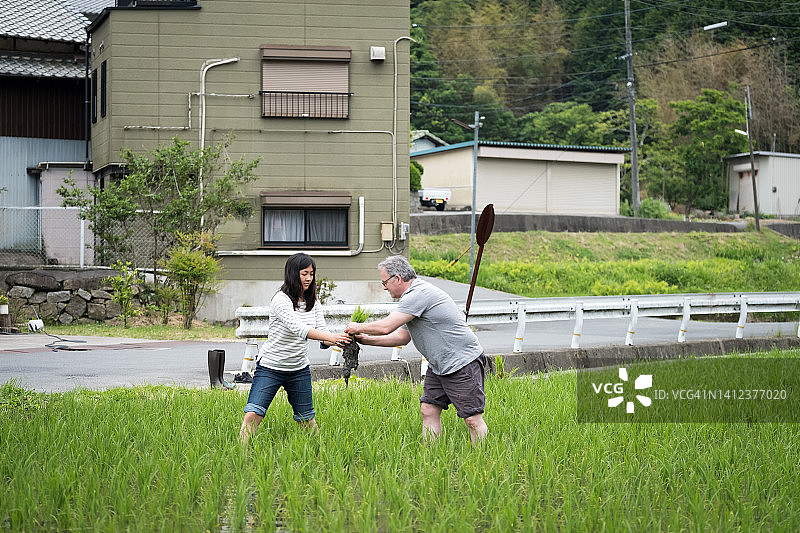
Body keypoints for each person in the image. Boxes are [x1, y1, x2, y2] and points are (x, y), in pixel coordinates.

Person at [345, 255, 488, 445]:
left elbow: (386, 327)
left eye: (385, 282)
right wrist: (367, 341)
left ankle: (482, 461)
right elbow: (402, 338)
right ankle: (431, 456)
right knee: (428, 409)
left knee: (472, 418)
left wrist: (357, 327)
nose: (384, 287)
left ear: (397, 278)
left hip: (462, 362)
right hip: (439, 364)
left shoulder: (418, 294)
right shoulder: (412, 298)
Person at [239, 253, 350, 443]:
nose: (309, 278)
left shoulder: (313, 302)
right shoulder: (280, 300)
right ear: (292, 274)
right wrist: (331, 336)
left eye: (312, 274)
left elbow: (322, 333)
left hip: (299, 369)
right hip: (271, 367)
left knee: (307, 419)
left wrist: (342, 339)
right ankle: (240, 457)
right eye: (304, 273)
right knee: (253, 415)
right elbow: (300, 329)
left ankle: (320, 455)